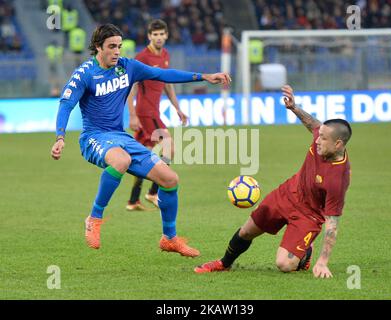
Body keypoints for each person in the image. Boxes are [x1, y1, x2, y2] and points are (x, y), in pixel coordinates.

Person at [50, 24, 231, 258]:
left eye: (119, 46)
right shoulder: (84, 73)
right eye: (111, 47)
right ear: (98, 47)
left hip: (121, 137)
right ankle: (94, 218)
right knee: (121, 161)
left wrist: (204, 76)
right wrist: (60, 136)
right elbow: (66, 104)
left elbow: (163, 75)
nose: (117, 51)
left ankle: (169, 238)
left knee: (169, 179)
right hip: (94, 137)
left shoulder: (128, 67)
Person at [195, 85, 352, 278]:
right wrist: (294, 108)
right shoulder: (322, 138)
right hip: (287, 194)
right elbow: (313, 124)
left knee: (284, 264)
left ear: (338, 144)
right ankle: (224, 263)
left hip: (309, 215)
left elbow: (332, 224)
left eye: (323, 138)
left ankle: (305, 252)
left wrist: (322, 262)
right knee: (247, 231)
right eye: (318, 136)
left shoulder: (338, 179)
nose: (317, 141)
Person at [126, 19, 187, 212]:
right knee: (170, 147)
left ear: (166, 35)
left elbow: (167, 84)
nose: (159, 38)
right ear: (149, 36)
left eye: (162, 34)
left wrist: (177, 108)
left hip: (154, 111)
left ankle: (133, 200)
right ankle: (154, 191)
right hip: (146, 113)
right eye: (155, 35)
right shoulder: (142, 57)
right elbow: (132, 87)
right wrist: (132, 114)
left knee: (141, 157)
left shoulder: (165, 56)